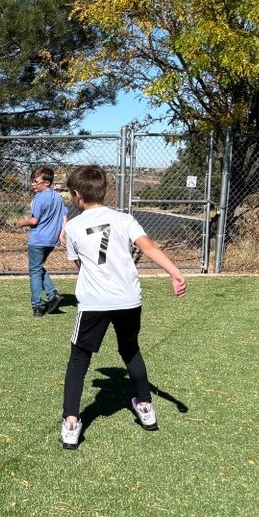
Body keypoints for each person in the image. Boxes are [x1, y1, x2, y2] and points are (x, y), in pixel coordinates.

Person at [58, 165, 186, 450]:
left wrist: (66, 241)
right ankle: (145, 407)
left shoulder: (73, 227)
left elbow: (81, 266)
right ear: (105, 191)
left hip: (95, 303)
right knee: (130, 350)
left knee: (78, 361)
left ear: (76, 194)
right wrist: (175, 272)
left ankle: (70, 423)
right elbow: (150, 248)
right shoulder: (125, 218)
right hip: (129, 300)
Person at [16, 166, 68, 317]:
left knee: (35, 271)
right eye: (32, 181)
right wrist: (61, 235)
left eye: (36, 181)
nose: (33, 184)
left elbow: (34, 220)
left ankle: (38, 306)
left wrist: (21, 222)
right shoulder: (58, 197)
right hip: (51, 240)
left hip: (38, 239)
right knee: (37, 268)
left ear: (47, 183)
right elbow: (65, 217)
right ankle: (53, 295)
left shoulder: (39, 197)